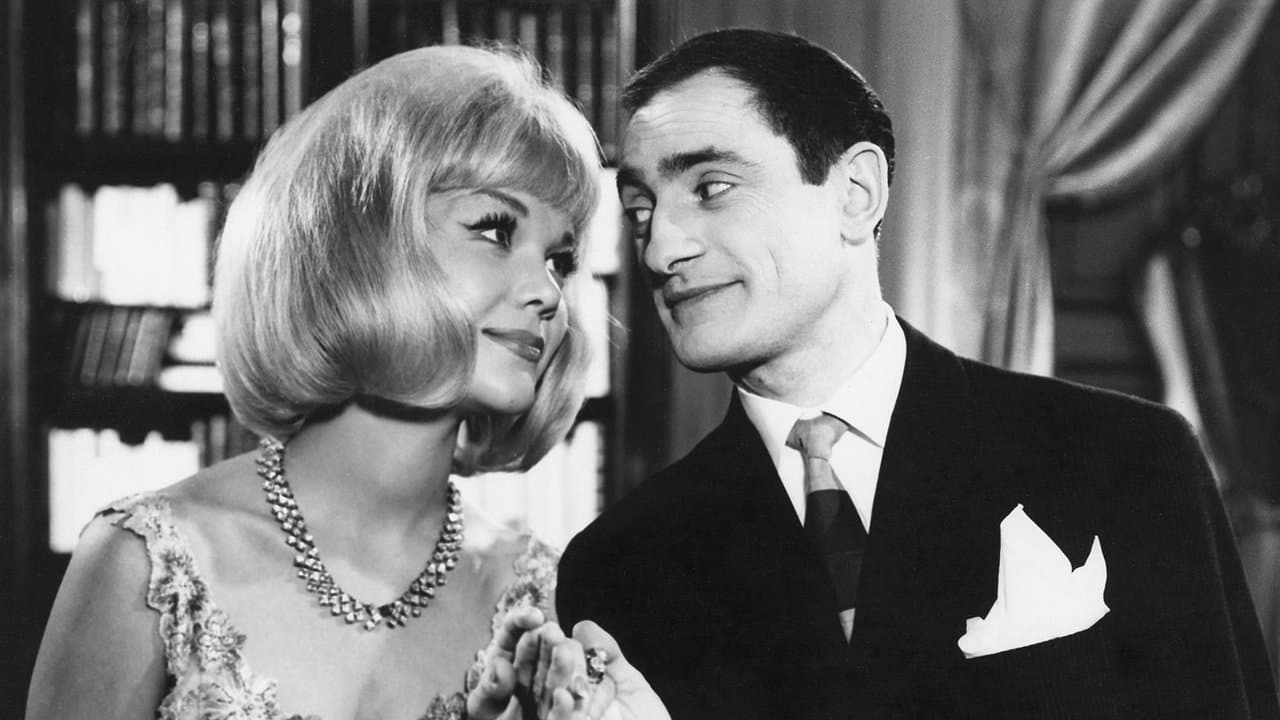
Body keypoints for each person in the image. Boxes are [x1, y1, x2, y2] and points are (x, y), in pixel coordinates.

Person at [557, 28, 1280, 719]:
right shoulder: (621, 567)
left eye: (711, 188)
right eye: (640, 209)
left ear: (856, 192)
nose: (660, 250)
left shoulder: (1128, 460)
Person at [27, 44, 649, 720]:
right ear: (361, 244)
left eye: (560, 260)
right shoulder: (146, 565)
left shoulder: (544, 601)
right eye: (496, 230)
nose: (547, 293)